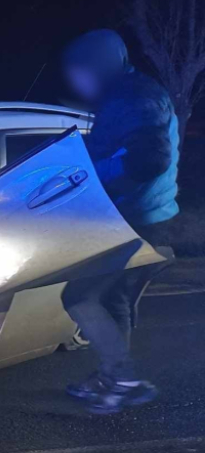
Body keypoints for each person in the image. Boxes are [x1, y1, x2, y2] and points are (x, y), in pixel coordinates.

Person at [59, 29, 180, 414]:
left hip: (132, 218)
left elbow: (149, 159)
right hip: (145, 216)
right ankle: (114, 379)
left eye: (80, 70)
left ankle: (124, 377)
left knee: (78, 296)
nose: (75, 80)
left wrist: (93, 181)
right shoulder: (126, 93)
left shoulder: (136, 97)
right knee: (114, 299)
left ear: (101, 65)